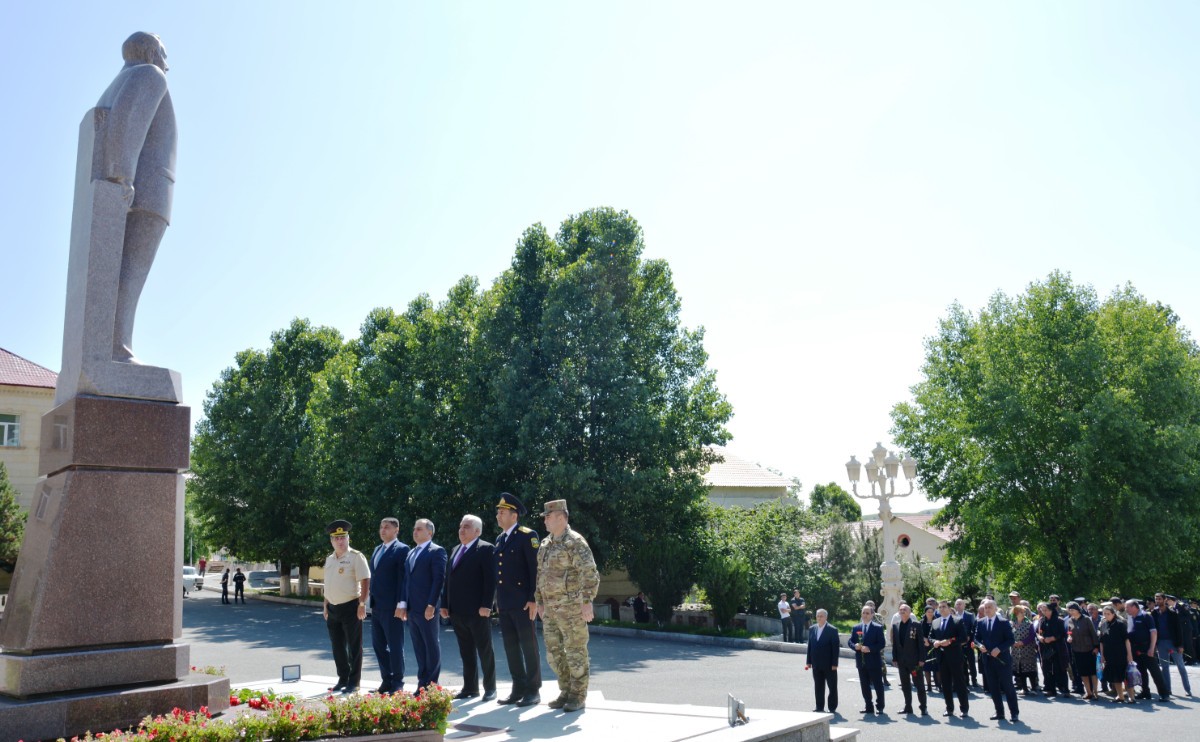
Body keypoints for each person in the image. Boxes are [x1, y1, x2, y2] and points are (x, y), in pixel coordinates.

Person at [535, 499, 600, 712]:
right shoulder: (545, 543)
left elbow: (589, 572)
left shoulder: (575, 542)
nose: (544, 520)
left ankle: (578, 695)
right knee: (554, 653)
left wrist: (587, 602)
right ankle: (565, 690)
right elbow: (540, 575)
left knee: (575, 652)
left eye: (548, 516)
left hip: (571, 609)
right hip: (551, 610)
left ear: (561, 517)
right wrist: (540, 602)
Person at [493, 492, 542, 707]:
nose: (498, 515)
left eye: (502, 512)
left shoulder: (527, 535)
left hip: (523, 602)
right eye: (498, 512)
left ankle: (533, 690)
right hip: (505, 603)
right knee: (511, 647)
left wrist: (533, 598)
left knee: (528, 646)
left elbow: (535, 570)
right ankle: (518, 687)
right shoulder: (500, 538)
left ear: (514, 516)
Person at [441, 514, 497, 701]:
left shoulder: (486, 549)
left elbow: (490, 580)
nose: (461, 530)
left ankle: (490, 688)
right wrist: (444, 604)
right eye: (460, 526)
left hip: (477, 611)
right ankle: (470, 688)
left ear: (477, 531)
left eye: (466, 526)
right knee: (466, 651)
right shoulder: (456, 549)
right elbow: (449, 579)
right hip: (457, 610)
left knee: (484, 650)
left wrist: (486, 605)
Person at [322, 520, 371, 694]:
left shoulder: (356, 557)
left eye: (343, 537)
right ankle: (342, 678)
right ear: (331, 541)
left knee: (354, 646)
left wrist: (362, 604)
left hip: (351, 606)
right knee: (337, 647)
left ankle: (354, 682)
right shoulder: (329, 559)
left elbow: (365, 580)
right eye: (336, 539)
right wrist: (325, 606)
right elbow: (328, 584)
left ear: (348, 538)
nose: (340, 541)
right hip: (333, 608)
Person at [399, 518, 446, 691]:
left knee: (431, 644)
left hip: (427, 608)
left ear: (429, 533)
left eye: (419, 529)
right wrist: (403, 604)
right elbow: (406, 581)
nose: (415, 531)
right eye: (414, 528)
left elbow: (438, 579)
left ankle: (432, 684)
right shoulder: (411, 553)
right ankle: (422, 683)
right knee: (419, 647)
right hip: (412, 608)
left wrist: (432, 604)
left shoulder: (436, 551)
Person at [369, 516, 410, 694]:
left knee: (395, 645)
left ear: (396, 530)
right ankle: (386, 679)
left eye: (387, 527)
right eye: (381, 526)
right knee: (378, 645)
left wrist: (402, 603)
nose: (382, 530)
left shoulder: (402, 549)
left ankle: (398, 681)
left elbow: (403, 579)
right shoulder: (378, 549)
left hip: (393, 606)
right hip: (377, 606)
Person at [975, 599, 1019, 722]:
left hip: (1002, 660)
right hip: (988, 660)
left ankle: (1014, 713)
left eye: (989, 607)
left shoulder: (1003, 622)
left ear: (995, 608)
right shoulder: (980, 622)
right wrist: (980, 646)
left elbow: (1010, 640)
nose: (987, 609)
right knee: (993, 688)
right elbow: (976, 638)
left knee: (1008, 687)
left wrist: (999, 649)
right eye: (985, 608)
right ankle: (999, 712)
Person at [930, 599, 969, 717]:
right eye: (940, 607)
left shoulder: (957, 620)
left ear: (949, 608)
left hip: (955, 657)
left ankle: (964, 708)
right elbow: (930, 637)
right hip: (941, 657)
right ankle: (949, 708)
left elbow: (963, 638)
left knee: (959, 683)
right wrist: (934, 642)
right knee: (945, 684)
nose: (941, 609)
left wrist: (950, 642)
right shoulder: (935, 622)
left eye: (944, 607)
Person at [1125, 599, 1169, 701]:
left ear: (1134, 607)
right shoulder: (1131, 617)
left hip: (1147, 648)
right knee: (1141, 672)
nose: (1126, 609)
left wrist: (1151, 648)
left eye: (1127, 607)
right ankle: (1145, 692)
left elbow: (1153, 633)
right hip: (1135, 649)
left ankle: (1164, 694)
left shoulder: (1146, 616)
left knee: (1155, 672)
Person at [848, 605, 886, 715]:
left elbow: (881, 644)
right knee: (864, 686)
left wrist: (870, 649)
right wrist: (854, 646)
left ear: (872, 615)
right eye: (863, 613)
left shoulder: (877, 628)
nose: (865, 615)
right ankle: (868, 706)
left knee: (878, 685)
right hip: (861, 662)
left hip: (874, 662)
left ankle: (880, 706)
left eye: (867, 613)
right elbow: (850, 641)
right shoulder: (856, 627)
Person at [891, 603, 928, 715]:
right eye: (901, 609)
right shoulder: (896, 625)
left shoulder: (916, 625)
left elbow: (921, 644)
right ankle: (908, 707)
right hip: (902, 662)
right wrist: (894, 658)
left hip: (915, 662)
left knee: (919, 685)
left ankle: (923, 707)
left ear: (910, 612)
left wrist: (922, 659)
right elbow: (895, 644)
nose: (902, 611)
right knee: (905, 685)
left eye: (905, 609)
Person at [1155, 594, 1193, 696]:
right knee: (1164, 667)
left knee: (1180, 666)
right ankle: (1167, 689)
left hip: (1173, 643)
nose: (1158, 601)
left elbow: (1179, 630)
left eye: (1159, 599)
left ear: (1165, 600)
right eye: (1156, 599)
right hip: (1161, 643)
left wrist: (1180, 645)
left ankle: (1187, 689)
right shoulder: (1154, 613)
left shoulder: (1172, 613)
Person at [805, 608, 839, 713]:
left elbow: (835, 648)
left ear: (826, 617)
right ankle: (819, 706)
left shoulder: (832, 630)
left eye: (821, 616)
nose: (819, 618)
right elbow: (810, 646)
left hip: (829, 664)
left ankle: (832, 707)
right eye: (818, 616)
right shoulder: (812, 629)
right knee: (818, 686)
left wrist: (834, 663)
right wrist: (808, 661)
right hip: (816, 663)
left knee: (832, 686)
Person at [1099, 604, 1134, 703]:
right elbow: (1101, 642)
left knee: (1126, 676)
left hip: (1121, 654)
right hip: (1109, 655)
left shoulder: (1120, 624)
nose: (1106, 615)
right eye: (1104, 614)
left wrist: (1129, 655)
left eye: (1108, 614)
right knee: (1115, 677)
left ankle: (1131, 697)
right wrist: (1102, 655)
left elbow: (1127, 640)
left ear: (1113, 614)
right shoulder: (1103, 624)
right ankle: (1120, 696)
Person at [1065, 602, 1099, 699]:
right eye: (1069, 610)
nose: (1071, 612)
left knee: (1092, 672)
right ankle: (1088, 692)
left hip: (1089, 649)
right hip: (1076, 649)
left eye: (1072, 610)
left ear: (1077, 610)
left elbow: (1093, 633)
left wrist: (1096, 647)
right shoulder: (1070, 620)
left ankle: (1095, 692)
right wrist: (1069, 637)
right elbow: (1069, 632)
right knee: (1082, 672)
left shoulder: (1086, 619)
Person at [1035, 601, 1068, 697]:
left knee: (1060, 668)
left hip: (1057, 648)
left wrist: (1053, 638)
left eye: (1046, 610)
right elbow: (1037, 632)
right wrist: (1039, 637)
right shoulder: (1041, 620)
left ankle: (1064, 689)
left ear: (1051, 610)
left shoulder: (1059, 620)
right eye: (1042, 610)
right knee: (1047, 668)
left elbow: (1063, 634)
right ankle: (1050, 689)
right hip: (1045, 647)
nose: (1044, 612)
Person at [1010, 605, 1039, 696]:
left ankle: (1034, 688)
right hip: (1016, 651)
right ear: (1016, 613)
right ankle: (1024, 688)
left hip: (1027, 650)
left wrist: (1023, 642)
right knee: (1020, 670)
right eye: (1021, 612)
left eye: (1024, 612)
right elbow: (1009, 635)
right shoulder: (1012, 623)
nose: (1023, 614)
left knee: (1031, 670)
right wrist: (1013, 642)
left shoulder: (1029, 623)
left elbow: (1032, 636)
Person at [954, 599, 979, 688]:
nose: (958, 606)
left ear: (964, 605)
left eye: (960, 604)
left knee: (971, 662)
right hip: (959, 644)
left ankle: (974, 680)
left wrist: (970, 638)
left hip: (969, 643)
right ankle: (966, 680)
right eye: (957, 604)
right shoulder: (953, 616)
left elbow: (973, 628)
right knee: (962, 663)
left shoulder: (970, 615)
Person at [920, 605, 940, 695]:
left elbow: (939, 633)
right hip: (925, 647)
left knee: (937, 667)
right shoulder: (921, 622)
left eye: (932, 612)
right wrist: (924, 640)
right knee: (926, 667)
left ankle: (938, 685)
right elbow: (919, 634)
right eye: (928, 612)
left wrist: (932, 642)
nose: (930, 613)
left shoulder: (937, 621)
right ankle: (928, 685)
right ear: (925, 613)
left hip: (935, 646)